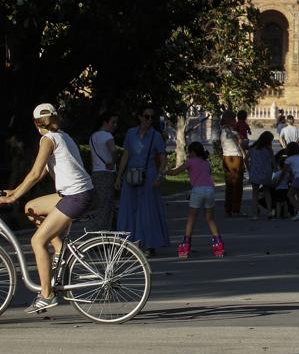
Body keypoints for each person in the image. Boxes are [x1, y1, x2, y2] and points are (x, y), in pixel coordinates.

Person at [0, 103, 95, 313]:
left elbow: (35, 172)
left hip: (75, 196)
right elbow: (38, 175)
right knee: (31, 207)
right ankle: (60, 250)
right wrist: (13, 192)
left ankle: (47, 295)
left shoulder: (48, 139)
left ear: (37, 123)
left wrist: (12, 199)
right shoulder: (63, 136)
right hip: (76, 193)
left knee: (37, 241)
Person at [116, 105, 170, 256]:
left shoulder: (155, 135)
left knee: (148, 210)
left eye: (152, 117)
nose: (149, 120)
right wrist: (119, 176)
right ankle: (128, 243)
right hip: (131, 175)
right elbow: (126, 154)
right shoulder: (131, 133)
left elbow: (162, 156)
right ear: (139, 117)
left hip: (149, 176)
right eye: (147, 116)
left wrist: (160, 175)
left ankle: (149, 243)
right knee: (129, 209)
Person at [166, 142, 225, 258]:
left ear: (192, 152)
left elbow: (175, 172)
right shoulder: (206, 163)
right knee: (210, 219)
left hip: (197, 190)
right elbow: (208, 174)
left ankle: (186, 244)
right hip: (210, 190)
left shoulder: (190, 162)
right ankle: (218, 245)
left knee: (191, 219)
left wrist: (164, 172)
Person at [88, 111, 119, 231]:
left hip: (96, 173)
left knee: (100, 205)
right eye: (113, 122)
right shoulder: (107, 136)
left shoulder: (93, 136)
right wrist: (113, 161)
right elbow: (114, 150)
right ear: (105, 122)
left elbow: (92, 158)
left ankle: (99, 234)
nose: (115, 125)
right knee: (107, 206)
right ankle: (103, 234)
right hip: (107, 173)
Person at [217, 111, 245, 217]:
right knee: (237, 184)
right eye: (234, 119)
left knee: (230, 184)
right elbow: (238, 146)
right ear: (228, 120)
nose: (235, 121)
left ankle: (229, 208)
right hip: (235, 157)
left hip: (227, 157)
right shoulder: (227, 132)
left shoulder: (226, 131)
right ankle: (235, 209)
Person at [246, 132, 276, 220]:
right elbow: (274, 163)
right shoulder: (269, 149)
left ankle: (255, 214)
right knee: (267, 192)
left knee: (255, 194)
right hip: (266, 173)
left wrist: (249, 169)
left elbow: (245, 160)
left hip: (255, 173)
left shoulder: (252, 148)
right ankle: (269, 211)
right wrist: (276, 169)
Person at [281, 142, 299, 221]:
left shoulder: (288, 159)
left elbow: (283, 172)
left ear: (289, 150)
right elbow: (294, 171)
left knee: (290, 195)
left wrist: (278, 181)